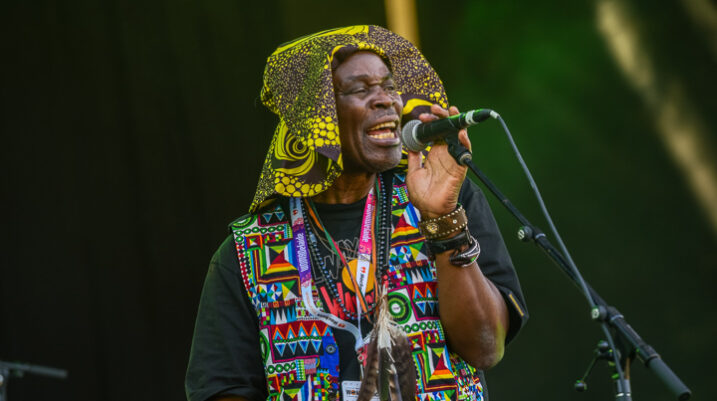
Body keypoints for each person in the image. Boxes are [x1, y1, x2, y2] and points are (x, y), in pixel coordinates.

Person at [186, 25, 528, 401]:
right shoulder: (248, 250)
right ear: (311, 116)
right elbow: (223, 388)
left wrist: (443, 221)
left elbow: (485, 349)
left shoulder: (444, 199)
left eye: (389, 87)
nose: (387, 101)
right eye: (360, 89)